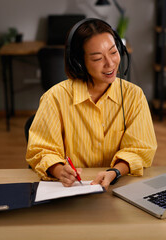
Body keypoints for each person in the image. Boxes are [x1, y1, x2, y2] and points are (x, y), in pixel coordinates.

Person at [26, 18, 157, 189]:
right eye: (97, 58)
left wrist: (114, 172)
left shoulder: (134, 96)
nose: (110, 63)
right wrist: (60, 171)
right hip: (71, 189)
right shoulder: (55, 98)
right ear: (79, 62)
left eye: (113, 52)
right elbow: (41, 151)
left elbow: (140, 149)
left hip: (118, 185)